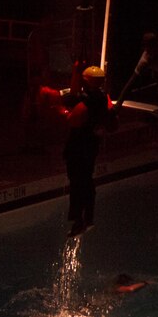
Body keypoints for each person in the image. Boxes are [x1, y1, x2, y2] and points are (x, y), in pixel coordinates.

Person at [39, 62, 113, 237]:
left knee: (77, 183)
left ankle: (78, 220)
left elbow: (73, 119)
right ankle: (88, 218)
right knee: (87, 182)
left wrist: (61, 111)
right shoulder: (103, 98)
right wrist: (75, 71)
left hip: (79, 147)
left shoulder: (85, 105)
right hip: (92, 146)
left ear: (86, 82)